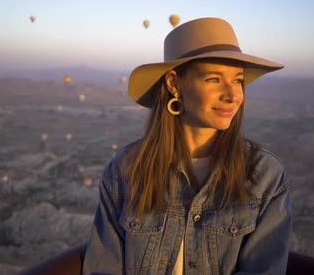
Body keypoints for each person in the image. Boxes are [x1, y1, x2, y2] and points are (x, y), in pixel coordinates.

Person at [82, 17, 292, 274]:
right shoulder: (126, 170)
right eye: (214, 79)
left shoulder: (264, 175)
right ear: (173, 83)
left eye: (238, 80)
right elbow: (103, 268)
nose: (233, 95)